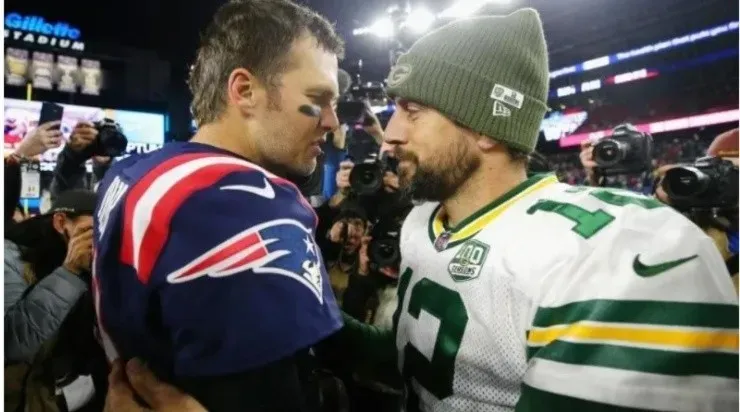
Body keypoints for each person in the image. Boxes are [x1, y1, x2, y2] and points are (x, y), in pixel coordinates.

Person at [336, 8, 738, 412]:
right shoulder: (423, 221)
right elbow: (420, 361)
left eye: (414, 110)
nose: (390, 134)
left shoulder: (614, 251)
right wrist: (315, 327)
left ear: (486, 128)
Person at [92, 0, 345, 410]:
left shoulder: (133, 170)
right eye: (318, 98)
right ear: (244, 91)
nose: (332, 121)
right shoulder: (243, 204)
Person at [5, 189, 107, 412]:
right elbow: (11, 343)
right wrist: (69, 272)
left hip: (67, 392)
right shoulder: (10, 259)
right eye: (92, 230)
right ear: (61, 222)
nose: (100, 239)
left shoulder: (102, 262)